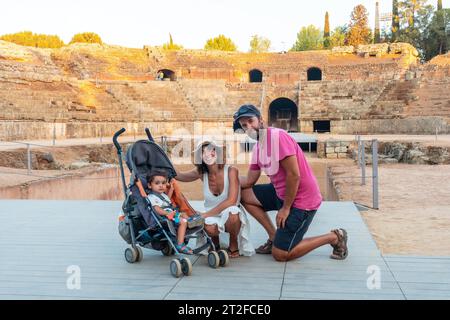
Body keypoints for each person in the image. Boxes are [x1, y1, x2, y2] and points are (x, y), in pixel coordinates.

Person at [234, 104, 348, 262]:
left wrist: (286, 208)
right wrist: (224, 176)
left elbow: (294, 175)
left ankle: (334, 237)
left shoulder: (277, 137)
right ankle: (274, 237)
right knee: (244, 193)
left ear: (260, 119)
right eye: (244, 125)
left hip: (302, 200)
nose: (249, 127)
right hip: (281, 192)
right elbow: (249, 181)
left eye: (250, 121)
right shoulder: (258, 148)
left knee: (281, 254)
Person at [174, 141, 254, 258]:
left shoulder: (232, 171)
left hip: (229, 211)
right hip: (212, 213)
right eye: (203, 152)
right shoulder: (201, 173)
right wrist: (165, 160)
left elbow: (231, 201)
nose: (208, 154)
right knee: (209, 228)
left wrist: (205, 215)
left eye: (212, 150)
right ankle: (215, 244)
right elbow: (179, 176)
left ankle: (233, 243)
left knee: (233, 212)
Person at [146, 170, 193, 254]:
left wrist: (171, 189)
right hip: (166, 218)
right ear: (150, 185)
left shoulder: (163, 195)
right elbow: (156, 208)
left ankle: (190, 223)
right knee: (183, 221)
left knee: (185, 215)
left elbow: (166, 201)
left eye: (163, 183)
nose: (161, 186)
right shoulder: (151, 197)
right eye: (157, 183)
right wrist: (167, 213)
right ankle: (180, 244)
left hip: (173, 215)